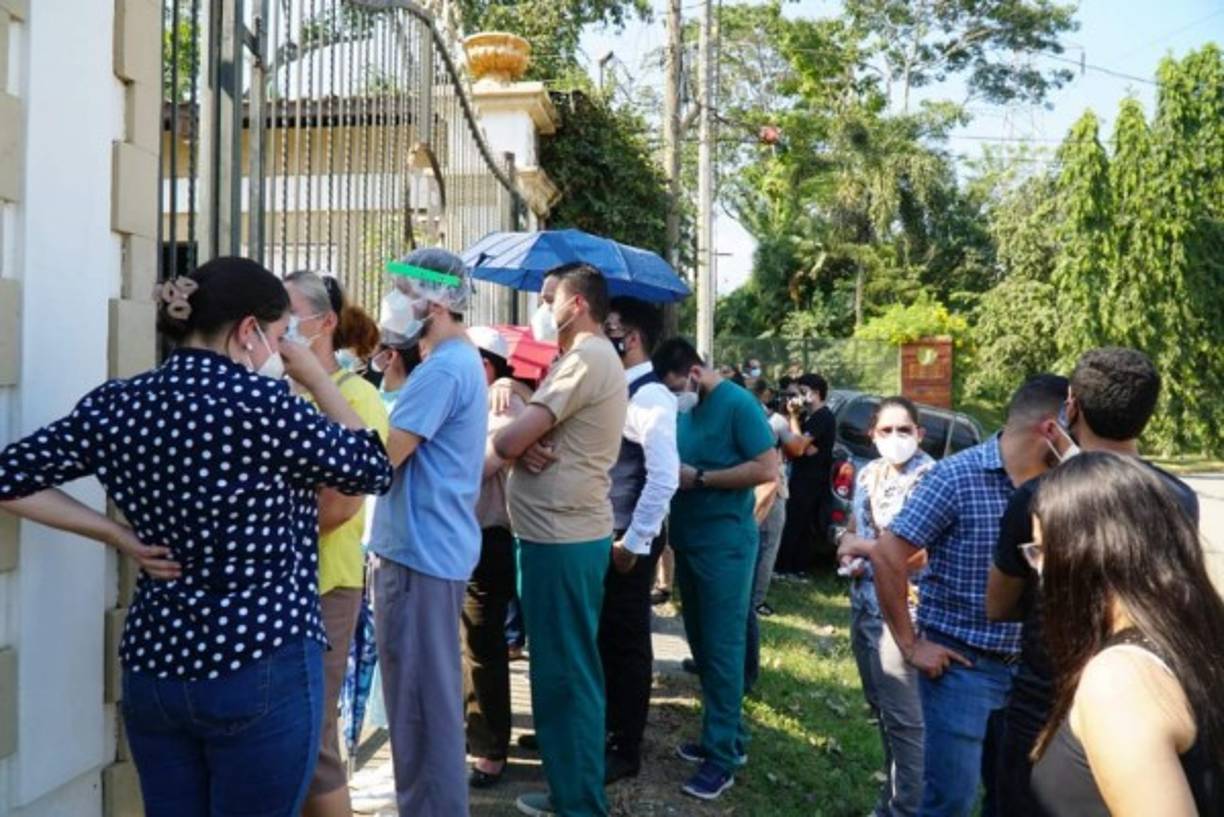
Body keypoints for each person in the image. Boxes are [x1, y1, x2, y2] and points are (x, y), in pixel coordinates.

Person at [0, 257, 392, 816]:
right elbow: (370, 467)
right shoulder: (266, 405)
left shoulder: (119, 404)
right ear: (248, 331)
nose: (284, 352)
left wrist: (117, 533)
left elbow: (9, 476)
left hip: (157, 662)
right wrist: (315, 377)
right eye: (281, 338)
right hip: (263, 657)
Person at [985, 348, 1200, 817]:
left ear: (1072, 405)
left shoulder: (1041, 497)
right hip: (1154, 703)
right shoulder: (1179, 498)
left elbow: (997, 605)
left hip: (1045, 706)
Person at [870, 374, 1069, 817]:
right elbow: (887, 555)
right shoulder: (957, 477)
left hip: (1034, 673)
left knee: (1015, 800)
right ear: (1051, 428)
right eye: (1074, 427)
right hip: (963, 669)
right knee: (950, 803)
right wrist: (910, 644)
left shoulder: (1065, 488)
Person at [494, 263, 627, 817]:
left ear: (577, 304)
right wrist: (524, 438)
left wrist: (517, 436)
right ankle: (571, 789)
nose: (541, 307)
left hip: (561, 535)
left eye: (549, 298)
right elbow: (529, 438)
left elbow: (508, 440)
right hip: (556, 533)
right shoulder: (576, 360)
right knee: (560, 668)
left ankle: (578, 802)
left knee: (566, 672)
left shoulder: (588, 357)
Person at [1027, 453, 1224, 816]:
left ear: (1081, 555)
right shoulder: (1193, 638)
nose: (1040, 569)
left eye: (1041, 550)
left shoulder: (1120, 681)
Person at [367, 248, 488, 817]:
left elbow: (379, 461)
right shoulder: (458, 362)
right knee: (425, 703)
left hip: (418, 558)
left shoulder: (442, 368)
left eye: (405, 290)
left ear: (438, 301)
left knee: (420, 709)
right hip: (431, 551)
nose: (396, 300)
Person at [653, 338, 779, 801]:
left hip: (726, 545)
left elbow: (768, 468)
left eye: (675, 387)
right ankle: (726, 737)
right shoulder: (686, 408)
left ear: (694, 372)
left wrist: (702, 479)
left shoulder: (737, 404)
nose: (674, 397)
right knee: (704, 647)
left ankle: (721, 760)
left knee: (724, 652)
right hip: (690, 541)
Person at [284, 270, 390, 817]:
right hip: (280, 591)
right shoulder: (276, 395)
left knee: (317, 740)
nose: (277, 323)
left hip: (327, 585)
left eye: (288, 310)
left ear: (323, 323)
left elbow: (341, 505)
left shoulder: (355, 398)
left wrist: (254, 528)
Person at [835, 397, 935, 817]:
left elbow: (926, 551)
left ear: (919, 433)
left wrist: (865, 549)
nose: (895, 438)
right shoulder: (868, 473)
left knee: (907, 721)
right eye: (886, 431)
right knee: (883, 711)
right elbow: (855, 525)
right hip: (865, 606)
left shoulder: (932, 478)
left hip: (905, 615)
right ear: (871, 435)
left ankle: (908, 808)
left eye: (904, 429)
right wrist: (847, 548)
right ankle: (891, 799)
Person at [600, 297, 680, 785]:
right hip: (611, 531)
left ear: (628, 337)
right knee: (606, 637)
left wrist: (634, 541)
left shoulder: (650, 397)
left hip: (627, 535)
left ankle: (624, 746)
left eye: (607, 329)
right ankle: (604, 728)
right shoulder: (620, 389)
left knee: (626, 642)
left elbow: (664, 477)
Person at [463, 325, 527, 789]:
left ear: (486, 365)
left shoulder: (504, 402)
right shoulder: (478, 400)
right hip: (461, 537)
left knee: (483, 644)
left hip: (489, 538)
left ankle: (489, 748)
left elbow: (484, 465)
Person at [774, 373, 834, 577]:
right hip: (804, 475)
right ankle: (793, 567)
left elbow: (798, 446)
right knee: (797, 522)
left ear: (815, 394)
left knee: (797, 522)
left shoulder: (822, 417)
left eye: (802, 392)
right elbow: (799, 447)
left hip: (811, 479)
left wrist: (792, 418)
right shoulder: (810, 417)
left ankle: (788, 567)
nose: (797, 397)